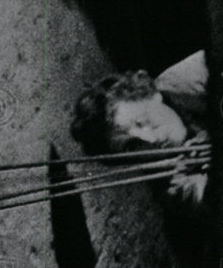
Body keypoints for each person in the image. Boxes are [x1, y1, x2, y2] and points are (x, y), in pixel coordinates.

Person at [71, 51, 209, 211]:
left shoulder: (198, 74)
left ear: (152, 94)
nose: (150, 139)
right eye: (133, 146)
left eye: (141, 122)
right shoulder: (178, 183)